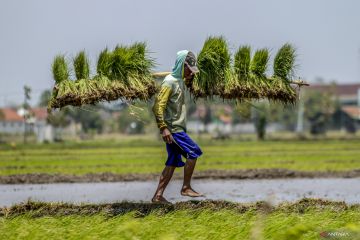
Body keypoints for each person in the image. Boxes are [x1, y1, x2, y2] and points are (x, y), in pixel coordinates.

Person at [151, 50, 204, 203]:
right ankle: (186, 187)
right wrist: (163, 128)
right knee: (194, 152)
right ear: (182, 65)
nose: (191, 73)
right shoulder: (169, 82)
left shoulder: (179, 80)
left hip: (175, 129)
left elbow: (188, 79)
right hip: (173, 130)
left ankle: (158, 196)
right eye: (189, 69)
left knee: (173, 161)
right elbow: (157, 107)